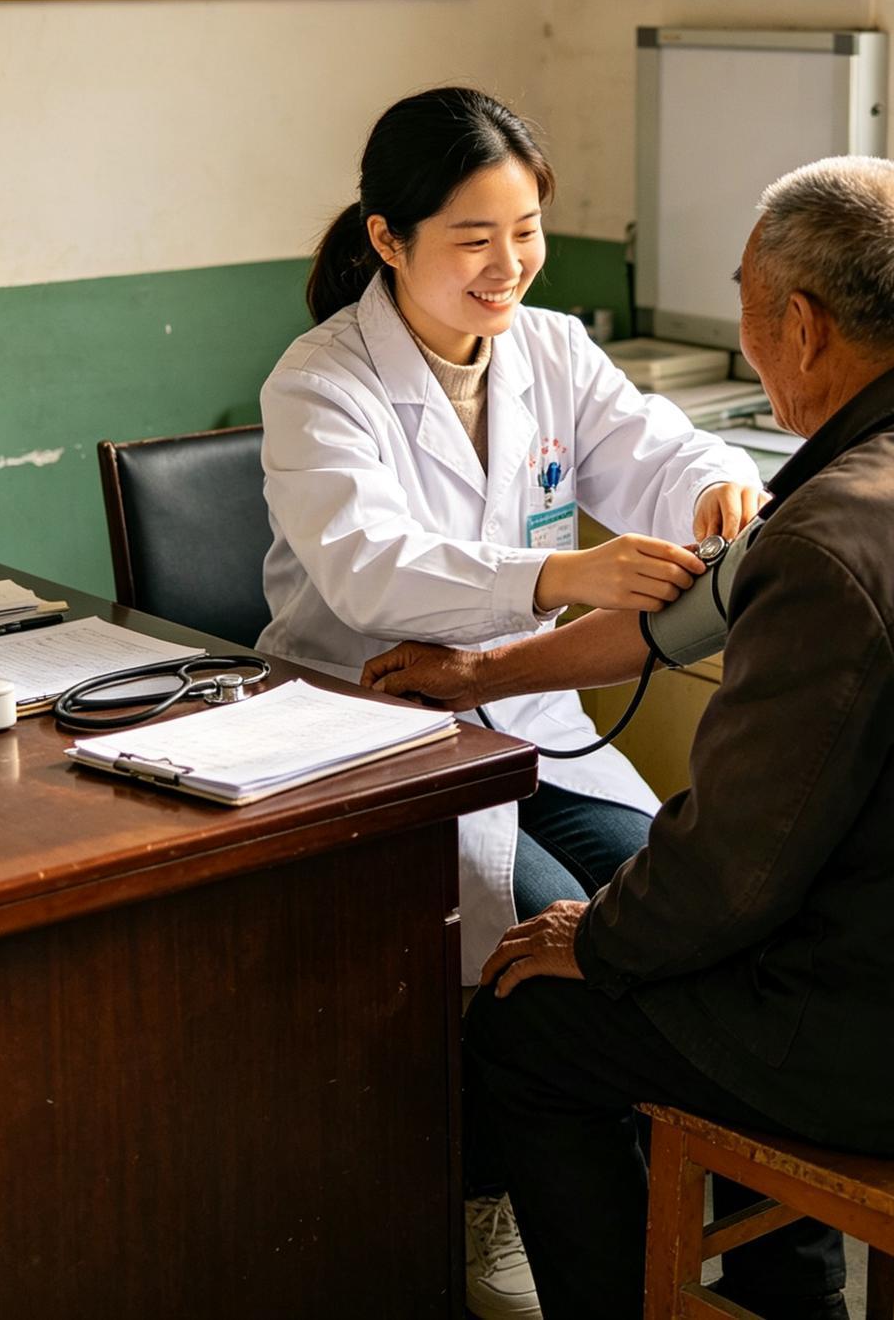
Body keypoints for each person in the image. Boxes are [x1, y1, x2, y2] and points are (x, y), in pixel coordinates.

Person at [365, 157, 894, 1320]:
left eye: (743, 299)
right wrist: (482, 671)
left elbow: (729, 868)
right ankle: (792, 1298)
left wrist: (595, 936)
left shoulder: (834, 539)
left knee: (528, 1023)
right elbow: (688, 627)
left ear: (798, 322)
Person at [259, 88, 762, 1320]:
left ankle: (624, 1189)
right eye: (472, 237)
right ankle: (496, 1190)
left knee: (662, 892)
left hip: (524, 717)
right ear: (388, 238)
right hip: (367, 728)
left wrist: (718, 485)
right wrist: (559, 573)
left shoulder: (546, 346)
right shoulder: (321, 382)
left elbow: (653, 440)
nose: (509, 265)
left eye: (526, 228)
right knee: (546, 949)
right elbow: (365, 563)